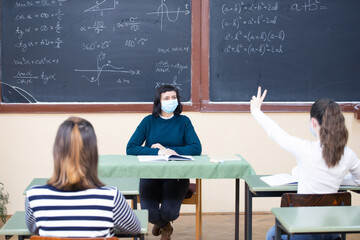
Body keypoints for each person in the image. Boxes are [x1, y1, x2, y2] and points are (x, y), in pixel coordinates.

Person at [250, 87, 360, 240]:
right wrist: (339, 178)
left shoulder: (305, 149)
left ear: (313, 122)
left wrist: (256, 110)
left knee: (271, 234)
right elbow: (358, 180)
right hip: (332, 231)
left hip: (302, 231)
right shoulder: (349, 155)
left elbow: (276, 133)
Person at [25, 117, 141, 238]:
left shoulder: (34, 196)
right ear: (92, 154)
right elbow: (134, 229)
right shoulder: (111, 197)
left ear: (57, 152)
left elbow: (33, 229)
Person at [127, 84, 202, 240]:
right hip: (150, 174)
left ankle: (164, 222)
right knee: (150, 214)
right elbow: (131, 148)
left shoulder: (184, 121)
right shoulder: (148, 121)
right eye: (166, 98)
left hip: (176, 176)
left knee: (170, 213)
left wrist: (171, 151)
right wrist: (159, 151)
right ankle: (165, 226)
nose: (171, 101)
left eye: (174, 97)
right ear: (159, 102)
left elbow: (196, 148)